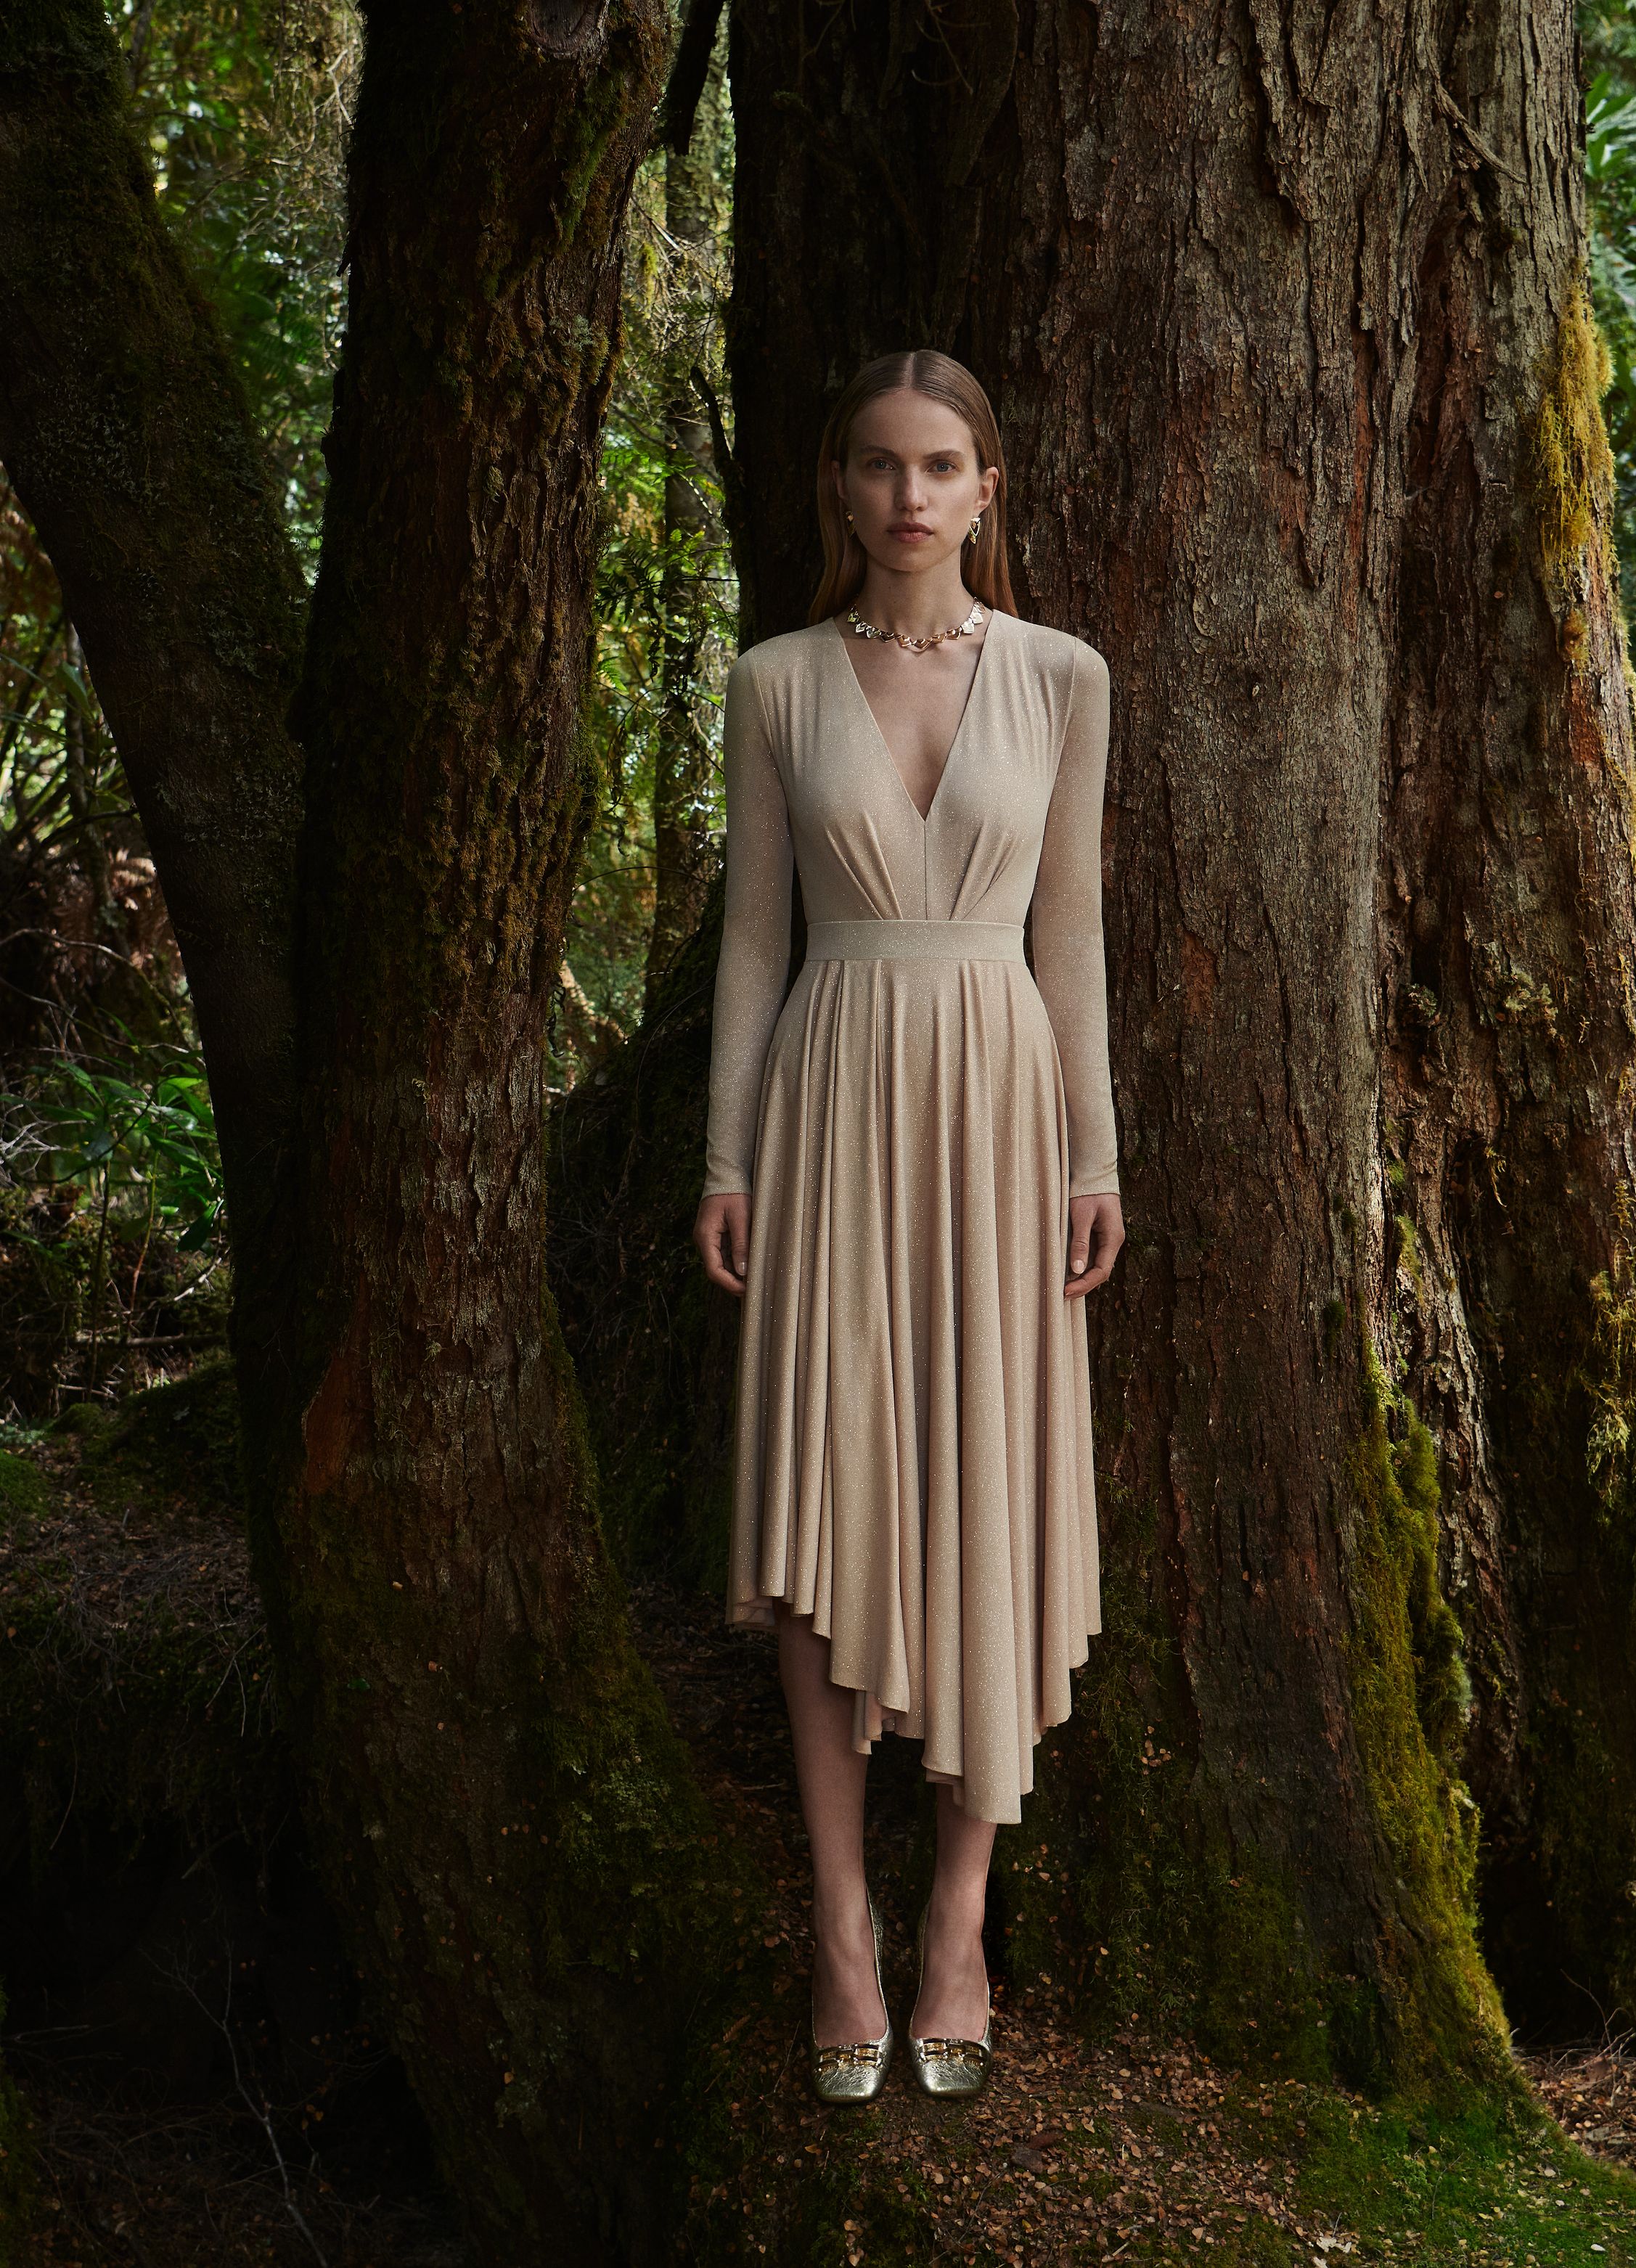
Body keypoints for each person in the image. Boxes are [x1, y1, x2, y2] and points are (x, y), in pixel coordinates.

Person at [693, 348, 1124, 2104]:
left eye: (941, 465)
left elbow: (1073, 934)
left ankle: (958, 1916)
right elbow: (748, 940)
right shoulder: (776, 683)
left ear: (986, 488)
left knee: (986, 1487)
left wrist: (1096, 1157)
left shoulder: (1063, 678)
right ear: (838, 487)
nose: (908, 497)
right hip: (831, 1101)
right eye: (876, 466)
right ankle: (839, 1920)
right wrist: (723, 1161)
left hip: (1004, 1110)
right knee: (828, 1489)